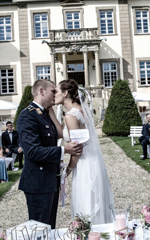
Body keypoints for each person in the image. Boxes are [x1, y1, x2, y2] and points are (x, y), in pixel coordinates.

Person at [17, 79, 83, 229]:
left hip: (50, 181)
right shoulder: (28, 115)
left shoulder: (44, 113)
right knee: (40, 228)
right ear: (41, 91)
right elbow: (33, 151)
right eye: (53, 91)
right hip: (38, 183)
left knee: (50, 227)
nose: (55, 94)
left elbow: (57, 135)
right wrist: (63, 150)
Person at [52, 79, 114, 225]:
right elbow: (61, 132)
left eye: (56, 91)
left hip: (84, 163)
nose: (54, 94)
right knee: (91, 202)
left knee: (86, 203)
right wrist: (49, 109)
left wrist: (68, 170)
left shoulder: (71, 115)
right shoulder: (79, 111)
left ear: (65, 93)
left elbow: (77, 149)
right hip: (92, 160)